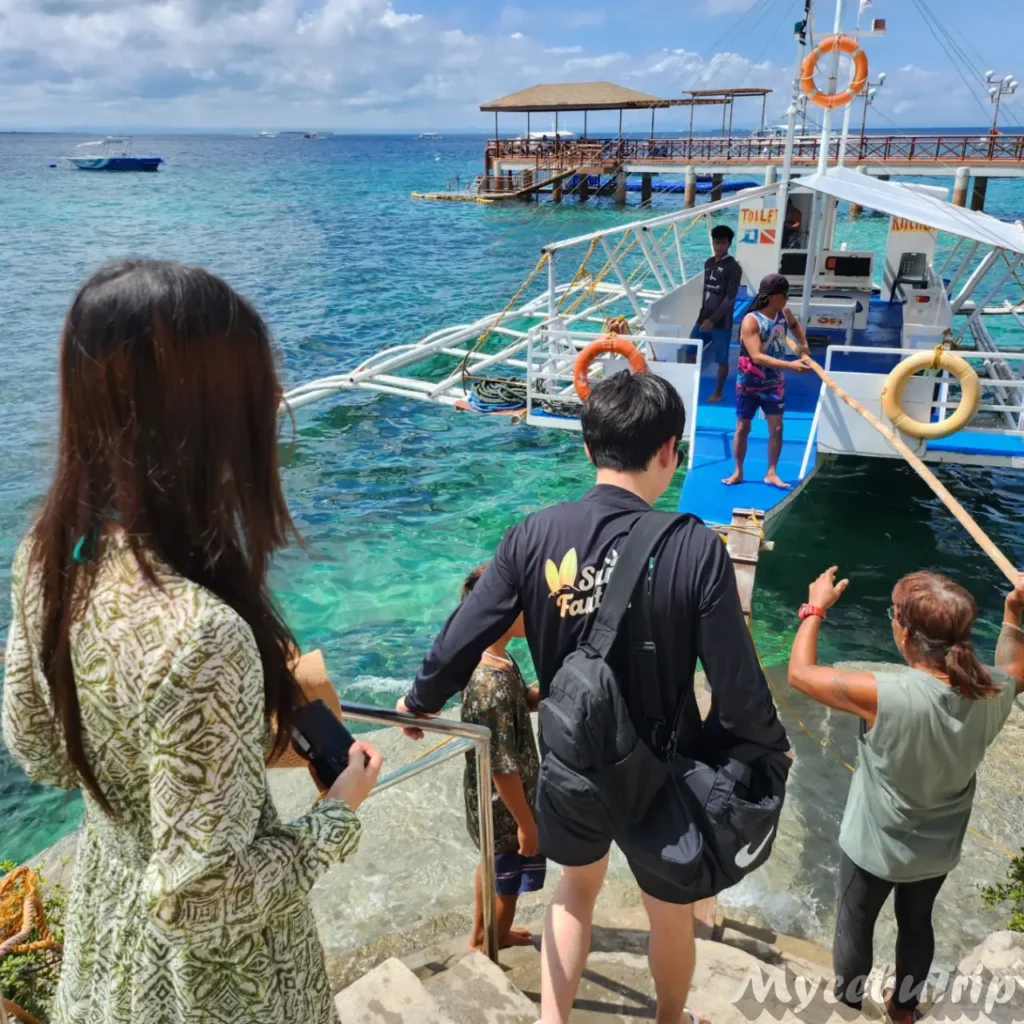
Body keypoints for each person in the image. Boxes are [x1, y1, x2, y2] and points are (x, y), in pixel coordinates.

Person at [0, 260, 383, 1024]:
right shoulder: (201, 635)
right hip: (219, 991)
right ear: (200, 413)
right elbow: (203, 900)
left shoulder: (49, 555)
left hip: (109, 944)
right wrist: (338, 813)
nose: (274, 403)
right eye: (255, 387)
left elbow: (39, 751)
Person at [397, 370, 789, 1024]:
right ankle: (670, 1020)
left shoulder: (532, 536)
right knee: (668, 915)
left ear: (588, 449)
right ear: (671, 450)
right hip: (664, 770)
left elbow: (469, 628)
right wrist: (764, 750)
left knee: (575, 891)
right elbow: (737, 686)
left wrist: (421, 698)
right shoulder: (695, 547)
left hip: (573, 762)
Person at [788, 567, 1024, 1024]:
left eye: (893, 616)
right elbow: (1016, 669)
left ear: (906, 634)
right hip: (937, 848)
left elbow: (800, 674)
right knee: (917, 924)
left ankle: (850, 1008)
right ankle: (904, 1010)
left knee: (856, 922)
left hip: (874, 846)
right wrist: (1013, 614)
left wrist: (815, 607)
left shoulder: (885, 694)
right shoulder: (992, 689)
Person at [458, 564, 545, 952]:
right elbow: (501, 766)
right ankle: (489, 945)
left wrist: (541, 691)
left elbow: (517, 706)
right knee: (507, 880)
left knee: (490, 864)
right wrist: (527, 823)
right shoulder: (488, 683)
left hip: (494, 802)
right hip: (505, 806)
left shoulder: (497, 658)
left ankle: (484, 934)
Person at [723, 273, 811, 491]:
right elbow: (757, 356)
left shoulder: (783, 313)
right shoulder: (751, 321)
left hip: (774, 383)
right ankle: (738, 471)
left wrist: (804, 345)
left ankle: (771, 472)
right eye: (785, 296)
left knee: (778, 428)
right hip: (749, 383)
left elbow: (795, 326)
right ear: (773, 297)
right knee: (743, 427)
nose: (787, 300)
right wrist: (791, 365)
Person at [692, 224, 743, 405]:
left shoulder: (734, 267)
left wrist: (713, 320)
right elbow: (706, 292)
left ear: (729, 244)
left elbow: (730, 298)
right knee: (690, 350)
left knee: (721, 359)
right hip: (702, 318)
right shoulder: (708, 263)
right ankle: (691, 385)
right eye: (716, 242)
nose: (719, 246)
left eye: (723, 243)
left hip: (721, 322)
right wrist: (703, 316)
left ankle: (718, 391)